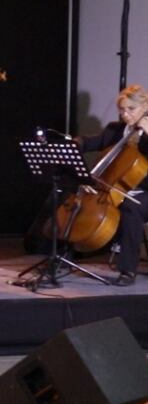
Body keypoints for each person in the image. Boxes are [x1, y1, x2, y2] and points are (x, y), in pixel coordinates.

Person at [76, 84, 148, 286]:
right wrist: (76, 142)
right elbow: (93, 142)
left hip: (146, 193)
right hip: (119, 190)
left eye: (131, 109)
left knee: (130, 208)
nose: (125, 115)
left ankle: (127, 270)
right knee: (76, 199)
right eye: (122, 110)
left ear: (145, 107)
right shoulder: (116, 130)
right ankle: (69, 253)